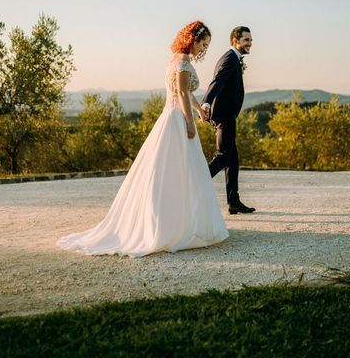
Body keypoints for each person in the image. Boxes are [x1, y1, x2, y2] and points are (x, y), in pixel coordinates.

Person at [57, 21, 228, 257]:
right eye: (203, 44)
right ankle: (175, 225)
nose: (203, 50)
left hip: (172, 116)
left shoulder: (174, 60)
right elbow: (180, 94)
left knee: (172, 170)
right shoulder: (183, 62)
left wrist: (199, 110)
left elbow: (186, 92)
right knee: (179, 171)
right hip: (177, 119)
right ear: (193, 39)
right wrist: (190, 121)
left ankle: (182, 220)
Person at [201, 26, 256, 214]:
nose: (250, 43)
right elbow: (217, 81)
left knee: (233, 159)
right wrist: (206, 103)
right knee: (223, 155)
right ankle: (194, 184)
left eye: (251, 40)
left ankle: (234, 202)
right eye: (246, 40)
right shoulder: (230, 58)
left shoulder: (234, 58)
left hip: (228, 113)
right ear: (235, 41)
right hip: (224, 115)